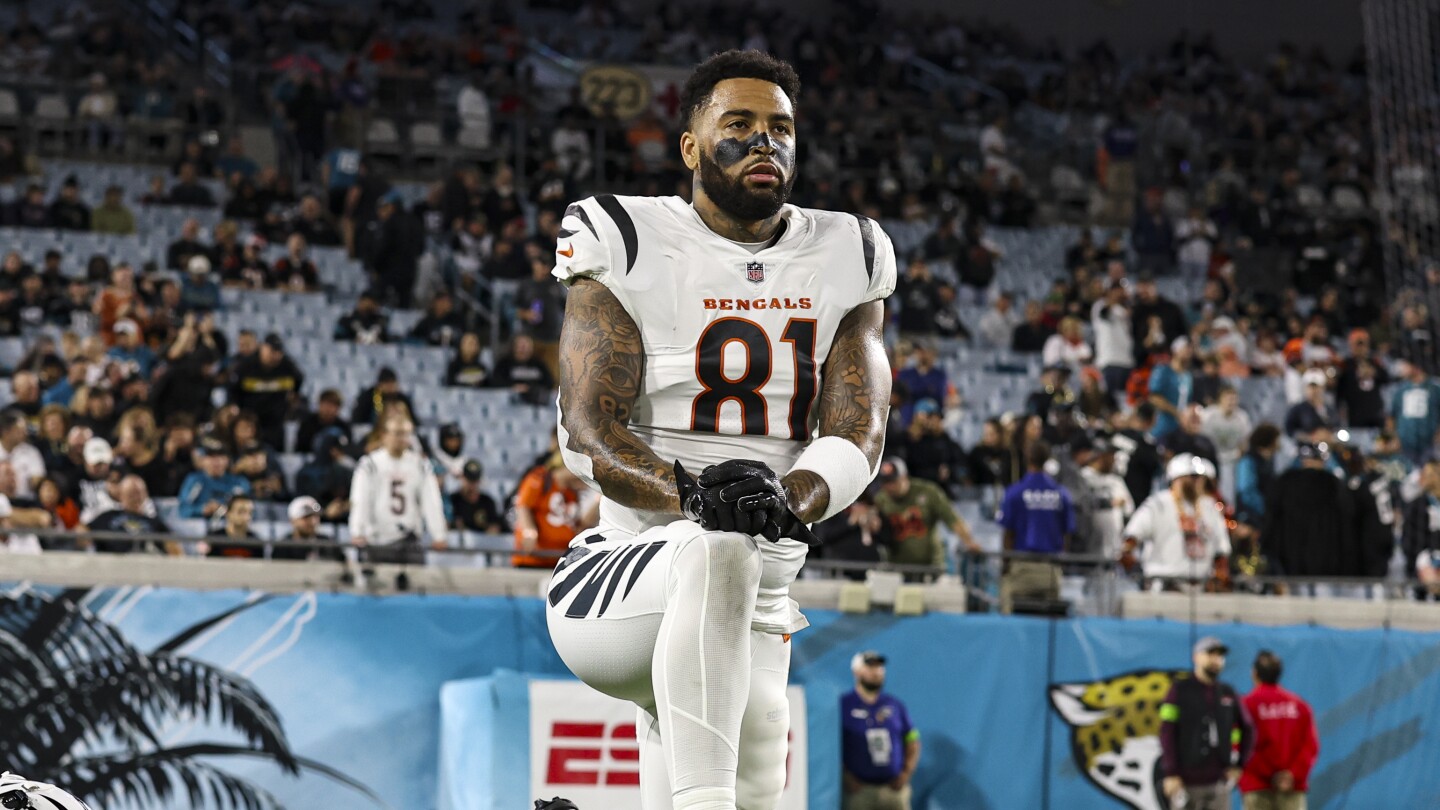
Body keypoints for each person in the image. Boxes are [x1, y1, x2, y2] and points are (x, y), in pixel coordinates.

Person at [544, 51, 895, 810]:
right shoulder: (624, 233)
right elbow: (585, 431)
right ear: (690, 146)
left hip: (762, 603)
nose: (765, 142)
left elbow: (859, 432)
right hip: (624, 579)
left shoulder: (849, 249)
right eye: (739, 124)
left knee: (753, 786)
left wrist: (785, 498)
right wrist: (698, 497)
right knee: (719, 548)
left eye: (781, 128)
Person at [1160, 637, 1255, 810]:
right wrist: (1171, 773)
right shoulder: (1179, 690)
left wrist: (1239, 765)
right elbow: (1167, 732)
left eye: (1219, 656)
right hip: (1185, 783)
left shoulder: (1227, 692)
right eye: (1210, 654)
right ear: (1196, 657)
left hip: (1218, 784)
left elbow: (1248, 728)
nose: (1215, 660)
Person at [348, 413, 447, 565]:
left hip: (410, 541)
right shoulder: (370, 464)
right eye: (397, 433)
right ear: (384, 435)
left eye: (406, 434)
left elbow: (431, 501)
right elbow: (360, 499)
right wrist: (358, 530)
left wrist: (438, 534)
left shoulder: (420, 465)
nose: (402, 439)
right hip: (377, 540)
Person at [1121, 454, 1231, 590]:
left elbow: (1221, 551)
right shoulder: (1158, 503)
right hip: (1163, 584)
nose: (1199, 481)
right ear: (1177, 478)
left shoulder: (1209, 506)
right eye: (1193, 477)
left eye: (1201, 477)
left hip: (1201, 586)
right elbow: (1130, 540)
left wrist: (1220, 575)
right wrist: (1136, 569)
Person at [1261, 442, 1360, 581]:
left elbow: (1271, 519)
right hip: (1327, 562)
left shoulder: (1284, 482)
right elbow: (1347, 522)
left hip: (1289, 560)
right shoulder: (1334, 484)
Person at [997, 441, 1075, 612]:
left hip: (1021, 568)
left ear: (1027, 458)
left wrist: (1006, 566)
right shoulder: (1061, 494)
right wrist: (1059, 564)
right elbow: (1067, 535)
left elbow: (1008, 534)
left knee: (1010, 618)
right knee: (1049, 623)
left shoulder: (1014, 493)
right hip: (1050, 569)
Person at [841, 651, 920, 810]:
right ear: (856, 671)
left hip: (894, 791)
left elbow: (912, 739)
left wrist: (906, 772)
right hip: (860, 793)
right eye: (870, 667)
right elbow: (830, 744)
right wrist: (845, 776)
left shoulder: (895, 705)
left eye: (879, 667)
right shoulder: (844, 705)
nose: (876, 672)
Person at [1240, 651, 1319, 810]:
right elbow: (1311, 746)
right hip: (1291, 787)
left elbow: (1240, 745)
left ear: (1254, 673)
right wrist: (1291, 775)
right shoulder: (1300, 706)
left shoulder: (1246, 705)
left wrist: (1267, 774)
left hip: (1257, 786)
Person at [874, 457, 979, 576]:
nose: (889, 487)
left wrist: (969, 541)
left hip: (930, 567)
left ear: (904, 477)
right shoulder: (881, 499)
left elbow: (952, 519)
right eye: (885, 482)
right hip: (897, 568)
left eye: (893, 482)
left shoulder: (928, 492)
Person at [513, 453, 597, 568]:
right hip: (534, 559)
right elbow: (524, 506)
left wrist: (598, 501)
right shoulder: (540, 478)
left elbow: (581, 526)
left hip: (562, 561)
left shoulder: (573, 491)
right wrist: (529, 531)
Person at [228, 333, 304, 450]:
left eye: (278, 352)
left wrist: (293, 394)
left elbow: (299, 378)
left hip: (275, 421)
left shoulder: (286, 366)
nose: (275, 355)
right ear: (262, 348)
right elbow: (232, 389)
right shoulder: (246, 365)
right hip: (251, 420)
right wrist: (235, 406)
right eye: (272, 351)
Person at [84, 475, 172, 554]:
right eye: (132, 494)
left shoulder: (154, 522)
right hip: (114, 561)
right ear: (121, 495)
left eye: (140, 493)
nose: (137, 498)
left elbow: (172, 544)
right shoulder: (108, 517)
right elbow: (84, 530)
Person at [177, 438, 252, 519]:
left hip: (230, 524)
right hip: (199, 524)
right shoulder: (194, 480)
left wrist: (224, 510)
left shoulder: (239, 482)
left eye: (221, 456)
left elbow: (250, 511)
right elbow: (183, 510)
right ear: (202, 460)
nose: (216, 461)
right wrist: (202, 509)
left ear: (227, 460)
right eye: (211, 456)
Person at [1388, 360, 1440, 463]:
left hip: (1429, 441)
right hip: (1405, 441)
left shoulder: (1435, 389)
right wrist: (1394, 437)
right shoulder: (1400, 390)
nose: (1404, 369)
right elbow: (1392, 416)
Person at [272, 495, 338, 561]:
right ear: (293, 521)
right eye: (306, 517)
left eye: (316, 516)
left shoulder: (327, 543)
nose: (313, 522)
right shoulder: (283, 546)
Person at [0, 409, 45, 500]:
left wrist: (36, 482)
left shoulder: (31, 452)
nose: (25, 433)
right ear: (6, 432)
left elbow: (38, 481)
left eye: (25, 430)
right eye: (19, 430)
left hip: (25, 502)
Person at [451, 460, 505, 533]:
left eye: (475, 481)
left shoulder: (487, 502)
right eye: (469, 480)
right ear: (462, 478)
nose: (472, 485)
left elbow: (495, 526)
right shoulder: (453, 501)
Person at [206, 494, 260, 559]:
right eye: (241, 512)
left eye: (250, 512)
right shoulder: (215, 538)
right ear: (228, 513)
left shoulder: (255, 541)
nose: (247, 517)